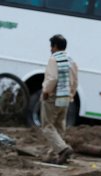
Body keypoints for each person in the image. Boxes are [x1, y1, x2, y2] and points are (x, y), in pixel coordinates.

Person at [40, 34, 78, 165]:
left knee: (47, 126)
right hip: (66, 97)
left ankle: (63, 149)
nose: (50, 49)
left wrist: (46, 92)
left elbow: (52, 78)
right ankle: (54, 155)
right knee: (59, 126)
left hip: (53, 97)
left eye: (51, 46)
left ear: (55, 46)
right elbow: (74, 81)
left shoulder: (53, 59)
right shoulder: (71, 60)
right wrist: (71, 93)